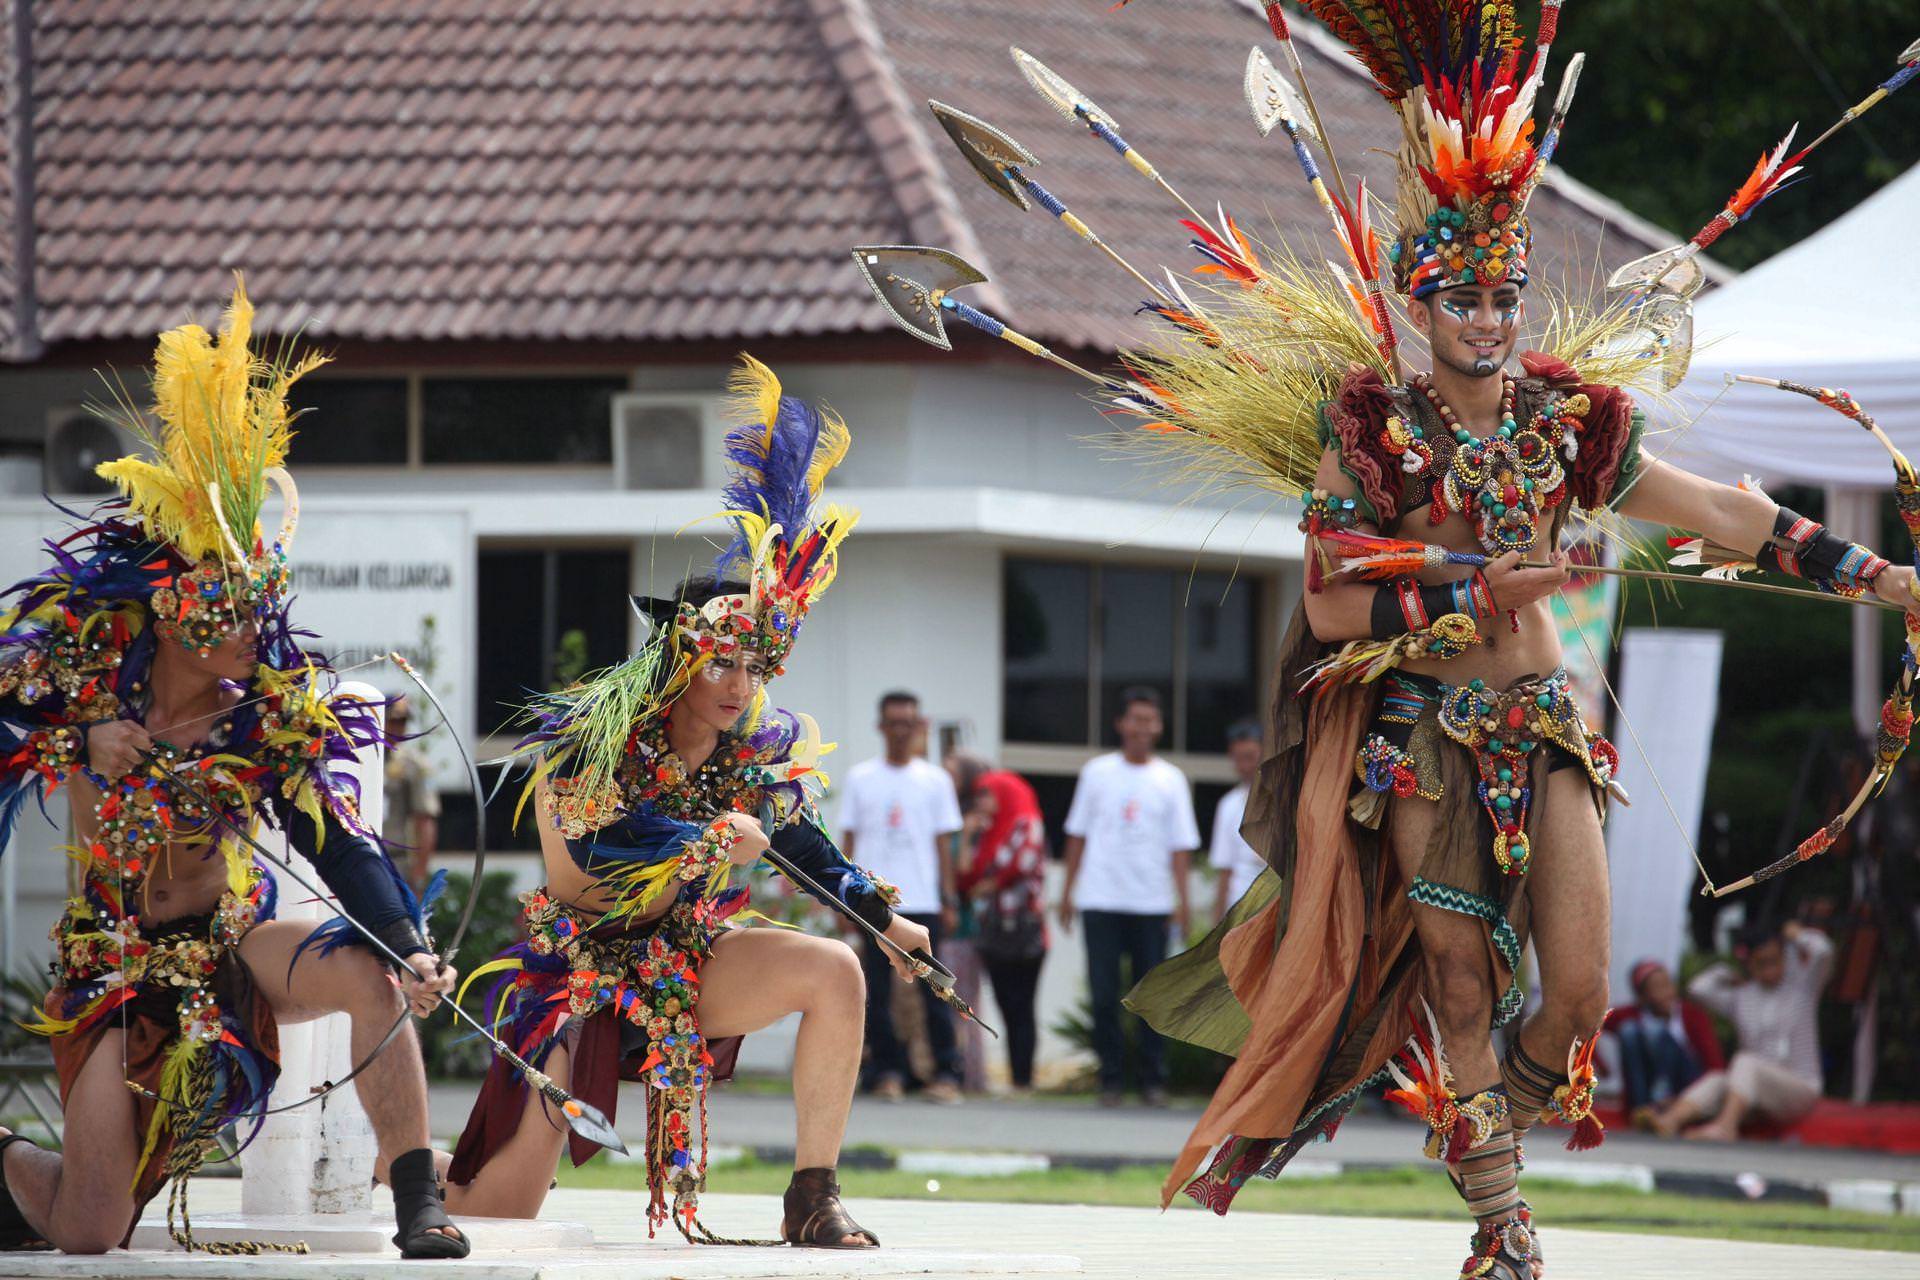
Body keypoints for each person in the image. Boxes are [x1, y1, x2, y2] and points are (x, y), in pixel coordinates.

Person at [1106, 8, 1920, 1275]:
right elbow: (1329, 596)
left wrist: (1882, 577)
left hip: (1544, 728)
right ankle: (1504, 1225)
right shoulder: (1371, 423)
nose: (1488, 317)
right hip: (1424, 743)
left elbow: (1718, 512)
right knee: (1462, 987)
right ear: (1418, 299)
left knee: (1582, 989)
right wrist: (1473, 597)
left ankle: (1491, 1143)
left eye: (1505, 293)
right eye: (1463, 296)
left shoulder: (1574, 418)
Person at [0, 279, 465, 1259]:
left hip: (231, 938)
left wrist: (409, 938)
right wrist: (80, 739)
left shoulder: (267, 718)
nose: (257, 624)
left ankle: (419, 1195)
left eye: (263, 601)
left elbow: (342, 840)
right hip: (115, 963)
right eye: (232, 604)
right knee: (89, 1230)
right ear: (172, 609)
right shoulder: (85, 675)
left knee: (373, 975)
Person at [444, 356, 930, 1248]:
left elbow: (800, 842)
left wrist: (883, 920)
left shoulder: (755, 750)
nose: (740, 683)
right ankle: (396, 1166)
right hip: (583, 973)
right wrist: (706, 838)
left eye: (754, 666)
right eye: (722, 662)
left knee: (836, 971)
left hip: (689, 961)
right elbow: (595, 854)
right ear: (678, 657)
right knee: (494, 1216)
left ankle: (812, 1193)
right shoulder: (592, 738)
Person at [1060, 687, 1200, 1108]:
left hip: (1151, 903)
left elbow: (1181, 847)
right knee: (1104, 995)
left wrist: (1183, 901)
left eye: (1150, 720)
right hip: (1100, 898)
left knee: (1150, 997)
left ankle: (1153, 1080)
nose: (1142, 727)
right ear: (1120, 724)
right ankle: (1110, 1079)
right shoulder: (1097, 772)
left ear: (1159, 726)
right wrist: (1067, 892)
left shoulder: (1170, 779)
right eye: (1135, 719)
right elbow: (1077, 835)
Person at [838, 692, 965, 1103]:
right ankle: (886, 1071)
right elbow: (849, 841)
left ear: (918, 727)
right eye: (893, 722)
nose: (900, 730)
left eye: (908, 723)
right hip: (875, 902)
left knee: (936, 989)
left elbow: (944, 845)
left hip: (924, 899)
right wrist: (843, 898)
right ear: (881, 727)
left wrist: (949, 899)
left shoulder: (936, 780)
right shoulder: (861, 777)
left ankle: (944, 1072)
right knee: (876, 989)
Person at [1647, 922, 1833, 1141]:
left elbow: (1823, 951)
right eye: (1761, 963)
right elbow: (1698, 988)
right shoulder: (1742, 996)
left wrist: (1799, 935)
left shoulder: (1802, 988)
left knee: (1745, 1062)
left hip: (1799, 1088)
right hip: (1755, 1092)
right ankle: (1671, 1120)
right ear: (1749, 964)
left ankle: (1726, 1126)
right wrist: (1728, 973)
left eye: (1775, 961)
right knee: (1718, 1079)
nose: (1770, 970)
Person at [950, 751, 1050, 1094]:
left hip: (1025, 932)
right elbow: (964, 878)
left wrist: (985, 884)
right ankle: (1016, 1077)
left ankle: (1024, 1078)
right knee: (1007, 1005)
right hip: (993, 933)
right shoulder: (986, 831)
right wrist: (966, 836)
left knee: (1023, 1004)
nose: (981, 801)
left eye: (987, 794)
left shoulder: (1026, 822)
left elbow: (1018, 864)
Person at [1604, 959, 1723, 1119]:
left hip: (1686, 1085)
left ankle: (1664, 1102)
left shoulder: (1692, 1014)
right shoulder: (1629, 1015)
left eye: (1668, 984)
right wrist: (1600, 1066)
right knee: (1629, 1030)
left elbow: (1713, 1062)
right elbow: (1587, 1026)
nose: (1667, 992)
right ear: (1642, 997)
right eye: (1658, 988)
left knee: (1657, 1031)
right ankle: (1641, 1109)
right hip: (1647, 1085)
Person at [1209, 720, 1268, 923]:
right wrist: (1218, 919)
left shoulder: (1286, 800)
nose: (1245, 766)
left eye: (1250, 757)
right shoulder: (1228, 804)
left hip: (1276, 905)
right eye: (1238, 758)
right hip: (1239, 907)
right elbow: (1225, 868)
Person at [383, 695, 442, 893]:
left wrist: (419, 872)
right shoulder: (360, 757)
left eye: (403, 721)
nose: (399, 727)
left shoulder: (413, 765)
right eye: (393, 720)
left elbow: (424, 820)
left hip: (397, 861)